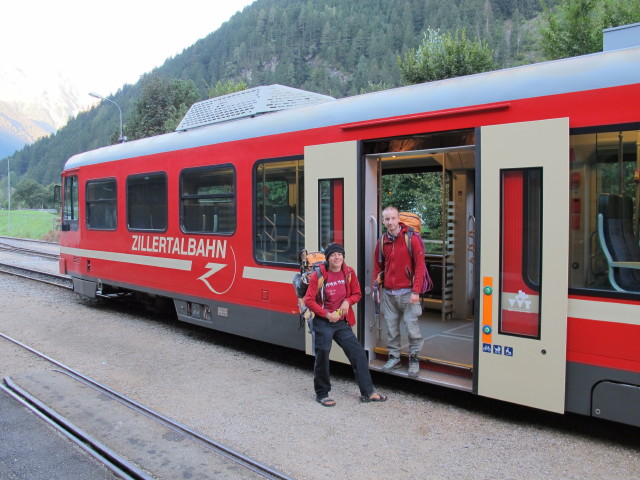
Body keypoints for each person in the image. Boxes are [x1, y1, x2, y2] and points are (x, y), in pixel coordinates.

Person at [304, 243, 387, 407]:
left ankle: (368, 392)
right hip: (323, 321)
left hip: (341, 322)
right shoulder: (319, 275)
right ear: (327, 258)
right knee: (323, 355)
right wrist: (327, 314)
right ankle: (322, 393)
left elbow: (357, 293)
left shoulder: (348, 272)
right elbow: (309, 300)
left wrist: (347, 302)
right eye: (333, 255)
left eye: (340, 254)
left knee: (358, 353)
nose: (337, 257)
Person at [372, 206, 425, 378]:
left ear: (398, 219)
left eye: (393, 218)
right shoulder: (382, 242)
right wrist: (377, 290)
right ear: (383, 221)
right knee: (392, 329)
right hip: (388, 293)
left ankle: (414, 359)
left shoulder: (411, 238)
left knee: (412, 329)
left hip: (408, 293)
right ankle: (394, 357)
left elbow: (420, 267)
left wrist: (416, 291)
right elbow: (377, 268)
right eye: (387, 219)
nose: (390, 222)